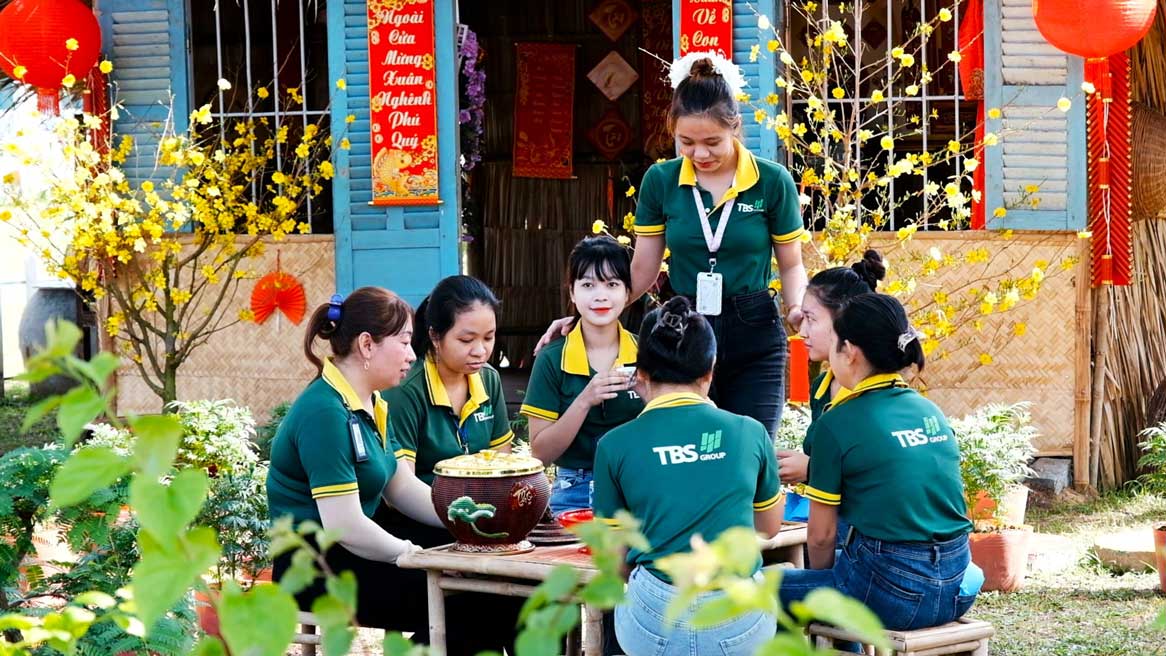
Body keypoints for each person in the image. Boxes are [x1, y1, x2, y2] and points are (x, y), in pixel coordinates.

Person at [537, 51, 808, 437]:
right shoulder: (660, 181)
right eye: (687, 142)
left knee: (752, 447)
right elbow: (643, 269)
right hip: (685, 327)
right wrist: (590, 313)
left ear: (735, 126)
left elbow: (792, 264)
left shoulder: (771, 181)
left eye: (712, 142)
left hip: (755, 331)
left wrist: (797, 308)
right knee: (688, 448)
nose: (700, 154)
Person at [266, 287, 515, 652]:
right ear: (367, 345)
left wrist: (472, 522)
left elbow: (401, 486)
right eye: (403, 342)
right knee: (473, 603)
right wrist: (414, 554)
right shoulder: (325, 412)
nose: (412, 355)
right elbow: (344, 524)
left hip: (355, 552)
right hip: (316, 568)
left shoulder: (372, 401)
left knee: (498, 587)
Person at [593, 296, 785, 656]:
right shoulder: (750, 431)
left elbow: (614, 560)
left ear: (642, 375)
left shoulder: (613, 445)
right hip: (740, 622)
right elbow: (769, 527)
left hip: (653, 624)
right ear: (710, 372)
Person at [778, 293, 977, 631]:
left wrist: (823, 587)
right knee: (841, 574)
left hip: (894, 595)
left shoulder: (838, 422)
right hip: (959, 586)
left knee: (759, 590)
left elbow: (822, 538)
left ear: (850, 352)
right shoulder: (928, 410)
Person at [383, 275, 514, 547]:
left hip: (481, 522)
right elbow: (398, 492)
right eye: (466, 340)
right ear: (434, 335)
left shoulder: (489, 379)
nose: (481, 350)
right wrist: (464, 518)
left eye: (489, 337)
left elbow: (503, 463)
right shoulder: (406, 390)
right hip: (419, 526)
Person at [521, 236, 644, 515]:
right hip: (573, 490)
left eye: (612, 284)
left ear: (627, 292)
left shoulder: (646, 355)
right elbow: (540, 454)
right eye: (588, 285)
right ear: (572, 293)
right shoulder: (552, 359)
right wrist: (584, 400)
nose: (600, 295)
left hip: (640, 487)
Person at [777, 249, 885, 486]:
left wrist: (812, 469)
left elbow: (882, 472)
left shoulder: (876, 394)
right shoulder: (821, 389)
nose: (801, 331)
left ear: (844, 321)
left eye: (811, 319)